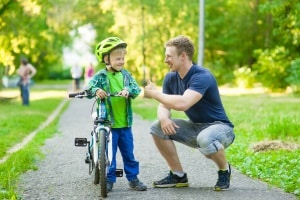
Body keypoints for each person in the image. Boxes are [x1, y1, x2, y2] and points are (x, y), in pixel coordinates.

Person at [144, 35, 235, 191]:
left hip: (220, 128)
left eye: (169, 56)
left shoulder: (202, 76)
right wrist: (164, 118)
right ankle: (178, 175)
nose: (166, 60)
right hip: (196, 127)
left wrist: (154, 94)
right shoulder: (171, 77)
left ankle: (224, 171)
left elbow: (183, 103)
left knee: (205, 139)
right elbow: (164, 105)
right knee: (156, 127)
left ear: (183, 56)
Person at [87, 36, 147, 192]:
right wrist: (96, 90)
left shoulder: (126, 76)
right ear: (106, 59)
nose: (121, 61)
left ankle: (133, 179)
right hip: (108, 124)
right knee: (109, 155)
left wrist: (128, 90)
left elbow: (136, 89)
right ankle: (109, 179)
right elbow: (89, 88)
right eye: (117, 58)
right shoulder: (100, 76)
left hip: (125, 124)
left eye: (123, 58)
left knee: (129, 154)